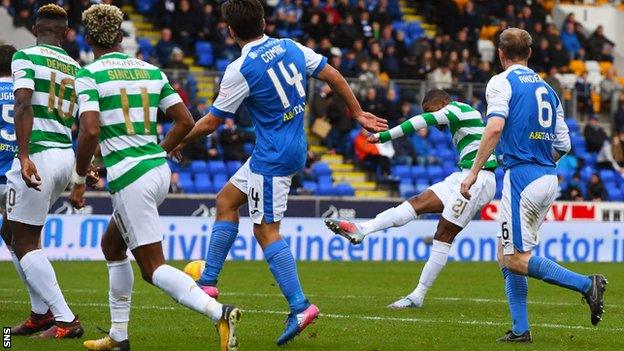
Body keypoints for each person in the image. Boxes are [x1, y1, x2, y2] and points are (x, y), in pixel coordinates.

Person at [171, 0, 387, 346]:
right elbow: (332, 74)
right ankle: (209, 280)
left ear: (230, 31)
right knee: (226, 200)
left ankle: (300, 306)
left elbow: (212, 122)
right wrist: (358, 113)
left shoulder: (240, 68)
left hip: (273, 155)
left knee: (267, 230)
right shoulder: (290, 47)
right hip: (285, 147)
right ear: (264, 21)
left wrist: (172, 141)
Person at [69, 5, 240, 351]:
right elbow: (185, 120)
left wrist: (77, 178)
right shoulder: (152, 71)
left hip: (132, 179)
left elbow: (88, 131)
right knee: (112, 246)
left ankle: (218, 312)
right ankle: (118, 337)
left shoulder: (89, 75)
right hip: (158, 171)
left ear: (88, 40)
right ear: (121, 37)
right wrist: (162, 150)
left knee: (152, 268)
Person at [460, 28, 606, 342]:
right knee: (506, 253)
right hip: (546, 176)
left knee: (514, 258)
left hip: (522, 177)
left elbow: (495, 126)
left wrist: (472, 172)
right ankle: (520, 329)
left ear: (500, 54)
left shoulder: (501, 82)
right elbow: (564, 144)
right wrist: (540, 157)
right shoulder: (548, 89)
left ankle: (587, 285)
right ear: (530, 54)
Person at [325, 89, 497, 308]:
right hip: (465, 175)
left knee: (444, 232)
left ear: (443, 102)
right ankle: (362, 229)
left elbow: (419, 121)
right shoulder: (459, 116)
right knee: (417, 203)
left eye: (431, 110)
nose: (432, 118)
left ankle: (418, 295)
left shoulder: (456, 108)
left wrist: (383, 136)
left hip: (479, 179)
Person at [6, 4, 84, 339]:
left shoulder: (25, 57)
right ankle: (40, 313)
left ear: (35, 28)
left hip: (37, 155)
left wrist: (23, 156)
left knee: (24, 241)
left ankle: (64, 319)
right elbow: (85, 123)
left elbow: (23, 104)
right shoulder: (78, 69)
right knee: (10, 229)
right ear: (67, 33)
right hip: (65, 155)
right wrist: (86, 168)